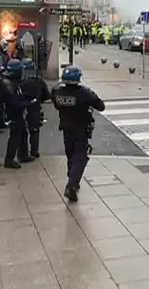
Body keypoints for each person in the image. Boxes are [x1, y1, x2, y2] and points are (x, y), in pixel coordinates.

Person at [51, 66, 105, 202]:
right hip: (81, 128)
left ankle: (72, 179)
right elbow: (100, 106)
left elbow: (56, 104)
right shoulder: (83, 93)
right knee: (80, 157)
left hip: (66, 127)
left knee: (70, 154)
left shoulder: (57, 91)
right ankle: (72, 185)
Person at [0, 59, 35, 168]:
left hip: (17, 113)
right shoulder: (9, 84)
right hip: (13, 114)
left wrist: (25, 97)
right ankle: (9, 160)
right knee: (15, 137)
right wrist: (28, 103)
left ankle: (23, 154)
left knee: (23, 133)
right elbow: (14, 103)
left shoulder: (13, 82)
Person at [21, 59, 50, 158]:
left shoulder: (19, 81)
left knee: (21, 132)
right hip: (34, 107)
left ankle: (23, 153)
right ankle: (34, 152)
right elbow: (47, 95)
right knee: (34, 130)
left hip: (21, 108)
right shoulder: (38, 80)